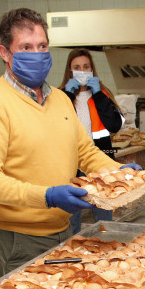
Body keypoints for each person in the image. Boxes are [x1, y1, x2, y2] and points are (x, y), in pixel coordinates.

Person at [0, 8, 138, 278]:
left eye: (42, 46)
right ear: (4, 52)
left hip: (63, 228)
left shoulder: (59, 99)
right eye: (26, 47)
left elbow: (85, 151)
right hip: (17, 238)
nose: (37, 54)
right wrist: (46, 196)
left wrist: (119, 172)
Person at [58, 49, 125, 234]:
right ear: (69, 71)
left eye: (86, 67)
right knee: (72, 215)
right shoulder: (59, 96)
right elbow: (54, 125)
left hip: (100, 161)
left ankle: (105, 248)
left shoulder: (102, 93)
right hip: (70, 162)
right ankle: (72, 250)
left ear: (92, 69)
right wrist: (68, 96)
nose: (82, 71)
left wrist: (98, 95)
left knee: (103, 213)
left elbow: (114, 125)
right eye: (77, 67)